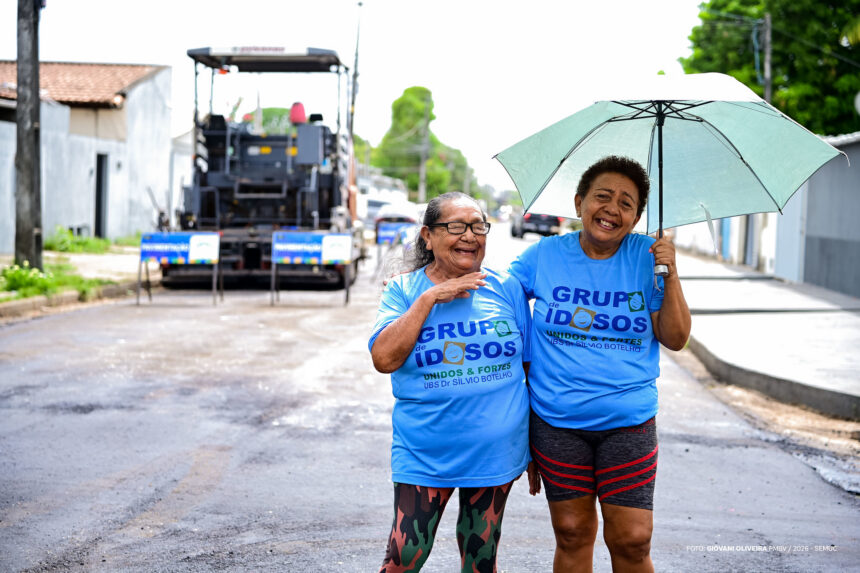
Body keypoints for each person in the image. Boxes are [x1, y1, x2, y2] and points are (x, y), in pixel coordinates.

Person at [509, 156, 691, 573]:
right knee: (571, 532)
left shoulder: (649, 257)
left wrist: (671, 273)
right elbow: (503, 306)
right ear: (579, 203)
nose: (612, 209)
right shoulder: (544, 255)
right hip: (556, 421)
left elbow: (676, 338)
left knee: (632, 539)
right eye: (602, 197)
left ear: (637, 216)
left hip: (628, 421)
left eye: (626, 203)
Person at [369, 192, 532, 573]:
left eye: (478, 227)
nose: (470, 236)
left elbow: (528, 369)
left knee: (481, 558)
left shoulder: (506, 287)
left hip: (496, 451)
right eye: (456, 227)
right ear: (428, 235)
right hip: (425, 452)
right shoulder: (403, 290)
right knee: (404, 557)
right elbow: (384, 358)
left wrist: (537, 447)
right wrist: (429, 300)